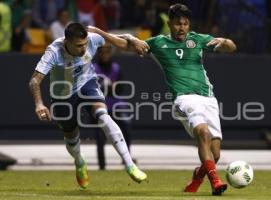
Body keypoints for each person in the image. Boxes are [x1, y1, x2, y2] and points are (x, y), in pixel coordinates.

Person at [87, 3, 236, 196]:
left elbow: (231, 48)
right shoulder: (159, 43)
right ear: (169, 23)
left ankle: (196, 179)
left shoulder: (198, 40)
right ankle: (216, 182)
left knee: (214, 155)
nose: (181, 28)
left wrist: (225, 42)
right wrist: (105, 33)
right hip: (184, 99)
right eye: (177, 24)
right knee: (203, 133)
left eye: (185, 23)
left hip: (208, 99)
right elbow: (125, 44)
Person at [28, 22, 148, 189]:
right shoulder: (53, 52)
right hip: (63, 94)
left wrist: (132, 39)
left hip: (87, 84)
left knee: (103, 116)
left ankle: (129, 165)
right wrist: (39, 104)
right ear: (67, 41)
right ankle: (79, 161)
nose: (83, 49)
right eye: (78, 46)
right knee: (71, 136)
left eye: (84, 44)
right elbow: (34, 80)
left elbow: (119, 41)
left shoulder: (92, 39)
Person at [93, 44, 134, 170]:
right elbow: (94, 89)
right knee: (100, 136)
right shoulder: (93, 68)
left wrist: (108, 88)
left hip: (116, 104)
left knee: (126, 125)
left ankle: (127, 159)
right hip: (100, 104)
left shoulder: (116, 68)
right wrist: (110, 87)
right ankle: (102, 166)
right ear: (98, 54)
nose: (105, 54)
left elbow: (120, 88)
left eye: (107, 52)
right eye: (102, 52)